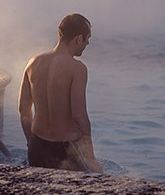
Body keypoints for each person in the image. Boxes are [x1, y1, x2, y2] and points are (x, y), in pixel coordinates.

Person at [18, 13, 102, 173]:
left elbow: (24, 112)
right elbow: (79, 116)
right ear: (78, 39)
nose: (88, 43)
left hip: (37, 145)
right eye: (87, 39)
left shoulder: (33, 63)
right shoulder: (77, 69)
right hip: (65, 150)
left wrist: (31, 142)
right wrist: (90, 157)